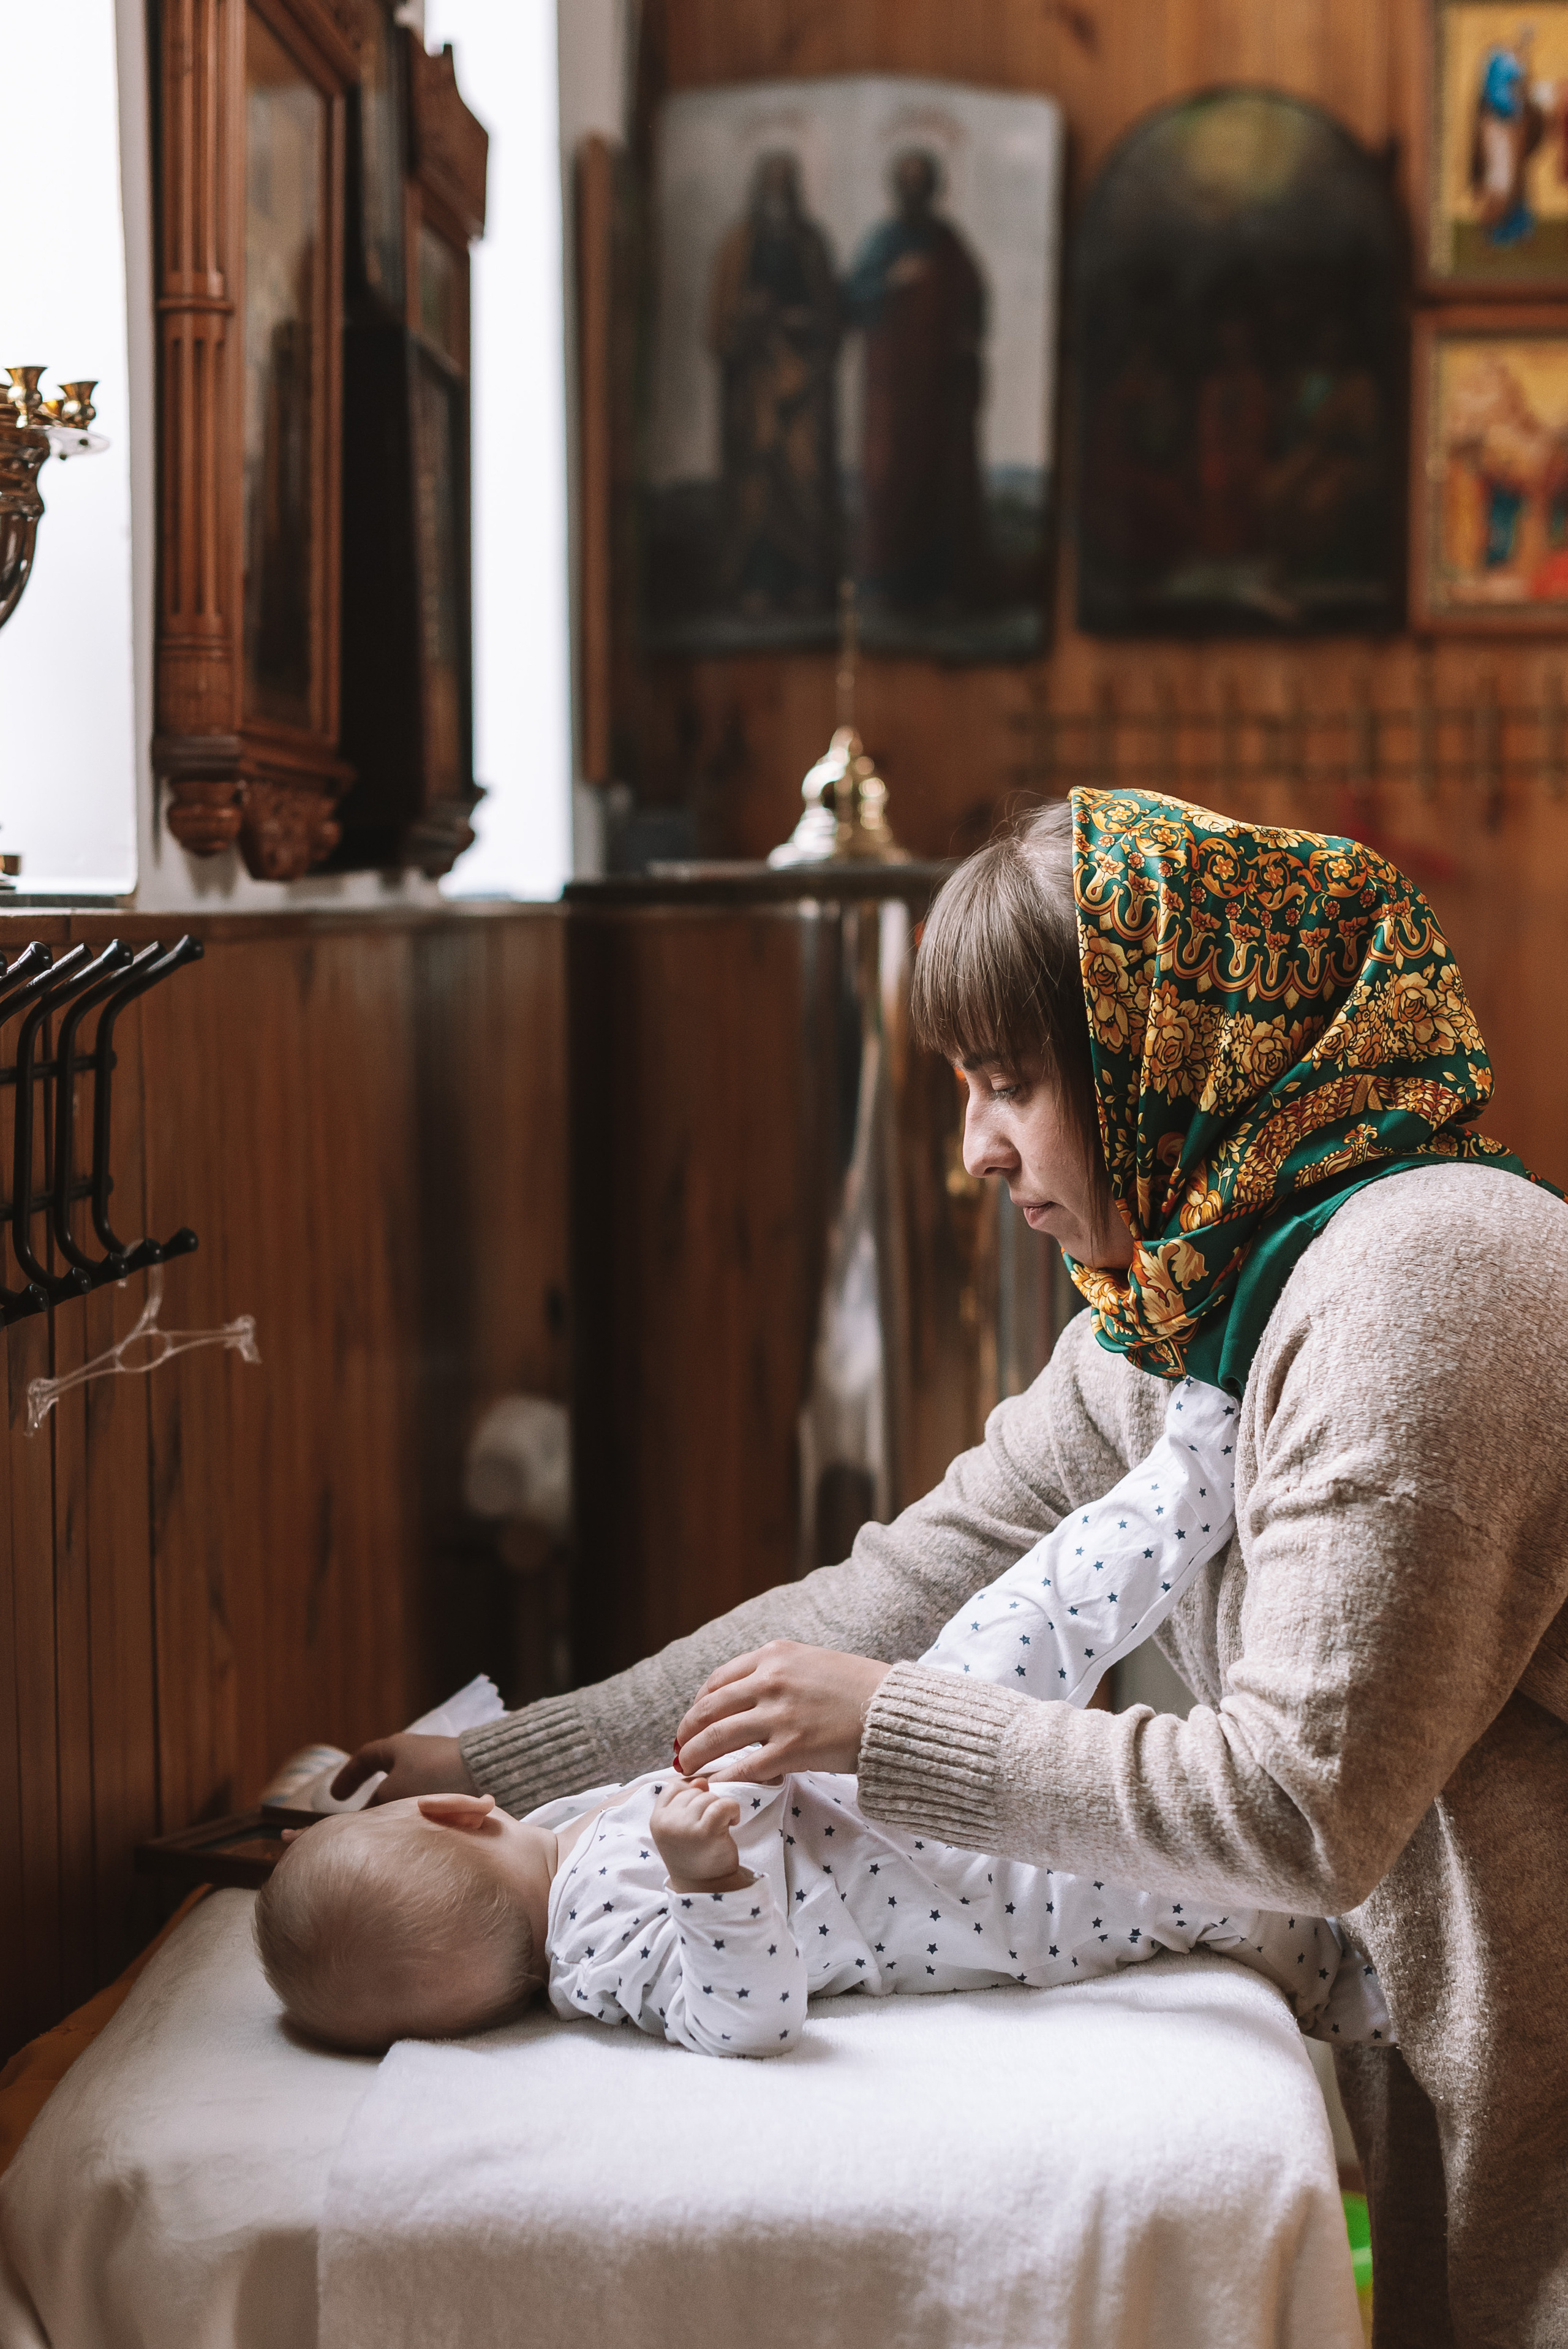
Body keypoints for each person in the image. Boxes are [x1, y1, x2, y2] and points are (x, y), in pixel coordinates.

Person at [337, 789, 1568, 2345]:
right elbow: (880, 1595)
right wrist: (493, 1761)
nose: (974, 1149)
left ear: (1163, 1054)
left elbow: (1293, 1805)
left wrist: (883, 1728)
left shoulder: (1421, 1283)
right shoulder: (1175, 1314)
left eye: (1009, 1083)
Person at [262, 1400, 1384, 2057]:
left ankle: (1194, 1462)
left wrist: (495, 1751)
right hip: (964, 1875)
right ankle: (1342, 1961)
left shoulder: (559, 1843)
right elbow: (745, 2018)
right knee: (1149, 1885)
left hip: (898, 1750)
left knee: (1030, 1603)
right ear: (461, 1816)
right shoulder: (594, 1953)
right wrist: (710, 1880)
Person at [841, 149, 986, 609]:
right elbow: (852, 299)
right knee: (889, 479)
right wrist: (892, 283)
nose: (913, 188)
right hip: (893, 388)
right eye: (906, 179)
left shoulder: (948, 241)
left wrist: (965, 337)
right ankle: (886, 583)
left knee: (938, 480)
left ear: (933, 188)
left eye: (922, 180)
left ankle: (939, 584)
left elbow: (975, 299)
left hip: (937, 387)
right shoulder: (882, 241)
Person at [707, 151, 841, 617]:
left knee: (802, 480)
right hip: (757, 384)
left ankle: (806, 579)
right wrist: (749, 317)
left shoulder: (811, 243)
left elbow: (829, 316)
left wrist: (799, 322)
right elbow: (721, 324)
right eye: (772, 184)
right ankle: (757, 581)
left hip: (801, 385)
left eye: (787, 184)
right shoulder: (738, 244)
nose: (779, 194)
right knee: (758, 482)